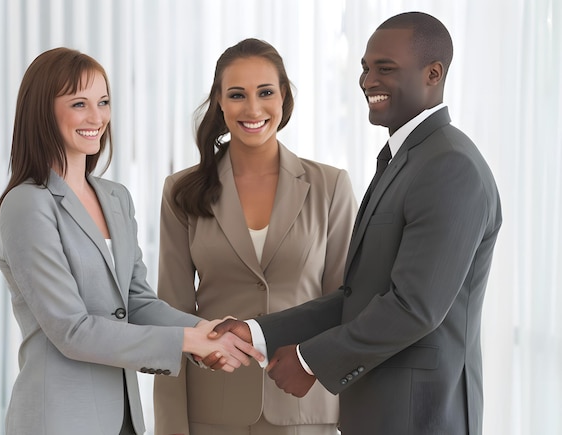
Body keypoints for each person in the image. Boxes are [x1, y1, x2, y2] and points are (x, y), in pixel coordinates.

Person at [211, 12, 502, 435]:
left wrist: (310, 360)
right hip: (380, 412)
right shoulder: (405, 159)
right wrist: (257, 331)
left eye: (385, 68)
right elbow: (359, 295)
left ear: (433, 74)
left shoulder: (450, 166)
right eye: (365, 68)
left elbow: (414, 307)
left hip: (421, 417)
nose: (368, 80)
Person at [0, 47, 262, 435]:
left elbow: (135, 302)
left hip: (125, 420)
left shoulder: (116, 197)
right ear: (43, 112)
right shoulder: (28, 204)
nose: (96, 118)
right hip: (59, 420)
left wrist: (207, 332)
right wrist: (188, 341)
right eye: (79, 103)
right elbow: (72, 330)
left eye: (103, 102)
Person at [153, 38, 357, 435]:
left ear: (284, 96)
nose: (252, 109)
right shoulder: (181, 191)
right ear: (219, 102)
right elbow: (170, 313)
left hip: (306, 410)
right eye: (237, 95)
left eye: (265, 92)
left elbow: (346, 303)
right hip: (212, 410)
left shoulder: (330, 186)